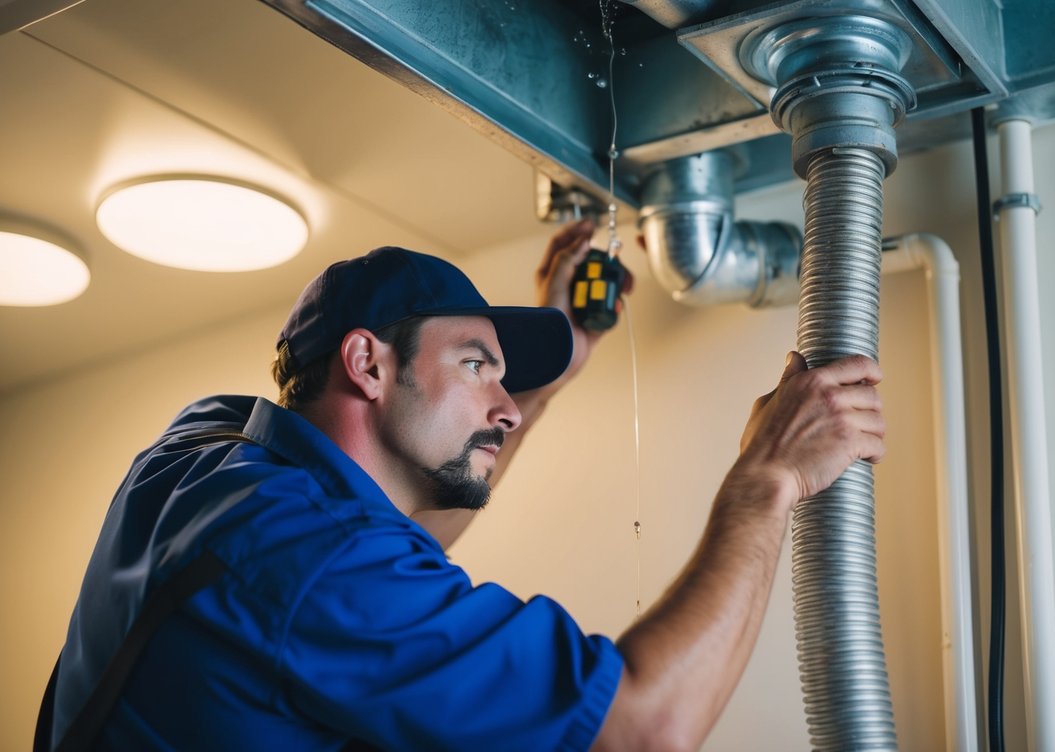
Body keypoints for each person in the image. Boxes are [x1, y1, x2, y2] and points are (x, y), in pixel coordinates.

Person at [43, 220, 885, 751]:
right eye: (477, 365)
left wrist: (536, 382)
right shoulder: (310, 562)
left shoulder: (205, 447)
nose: (505, 410)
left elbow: (369, 568)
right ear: (367, 362)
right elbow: (640, 729)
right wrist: (765, 478)